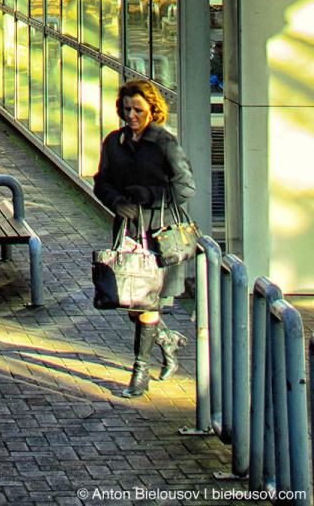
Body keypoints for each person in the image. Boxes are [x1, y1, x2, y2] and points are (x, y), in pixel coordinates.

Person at [94, 78, 195, 398]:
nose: (131, 115)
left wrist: (148, 195)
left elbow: (185, 188)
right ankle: (167, 341)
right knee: (132, 300)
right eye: (126, 109)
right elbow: (101, 182)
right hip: (129, 232)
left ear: (153, 108)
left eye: (138, 109)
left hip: (160, 235)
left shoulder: (165, 143)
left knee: (146, 302)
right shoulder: (114, 142)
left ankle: (140, 373)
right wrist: (116, 202)